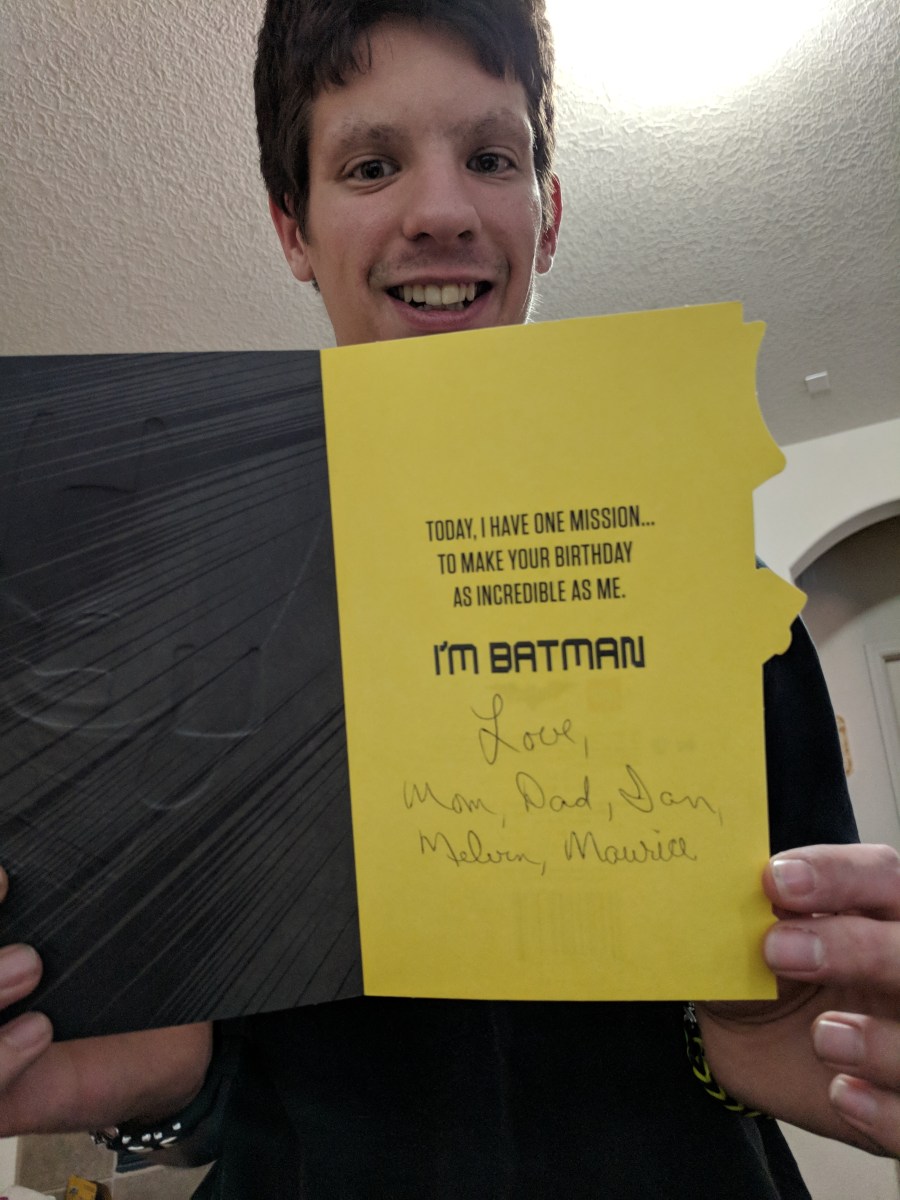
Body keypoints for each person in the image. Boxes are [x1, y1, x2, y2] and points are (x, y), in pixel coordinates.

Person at [1, 1, 899, 1194]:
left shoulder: (742, 623)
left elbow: (787, 1010)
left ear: (548, 212)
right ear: (292, 228)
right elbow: (215, 1079)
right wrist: (159, 1080)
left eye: (491, 157)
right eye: (371, 166)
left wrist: (779, 1044)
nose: (440, 210)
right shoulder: (170, 632)